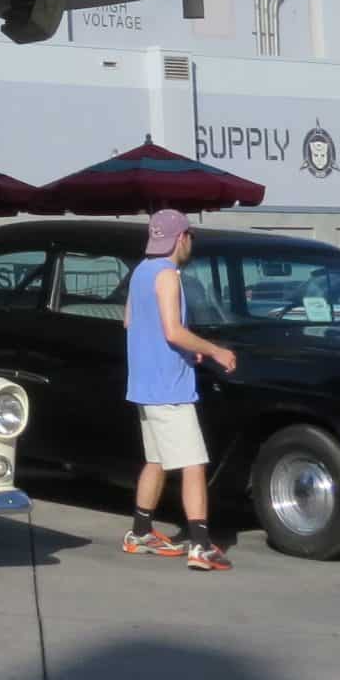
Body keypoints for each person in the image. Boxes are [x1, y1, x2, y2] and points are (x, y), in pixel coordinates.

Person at [122, 208, 238, 572]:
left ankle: (140, 532)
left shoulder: (141, 271)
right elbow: (172, 330)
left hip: (143, 385)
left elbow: (129, 321)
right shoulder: (169, 275)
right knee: (193, 464)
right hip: (169, 388)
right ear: (181, 238)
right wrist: (214, 349)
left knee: (156, 460)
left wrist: (189, 348)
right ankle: (201, 545)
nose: (191, 243)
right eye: (190, 236)